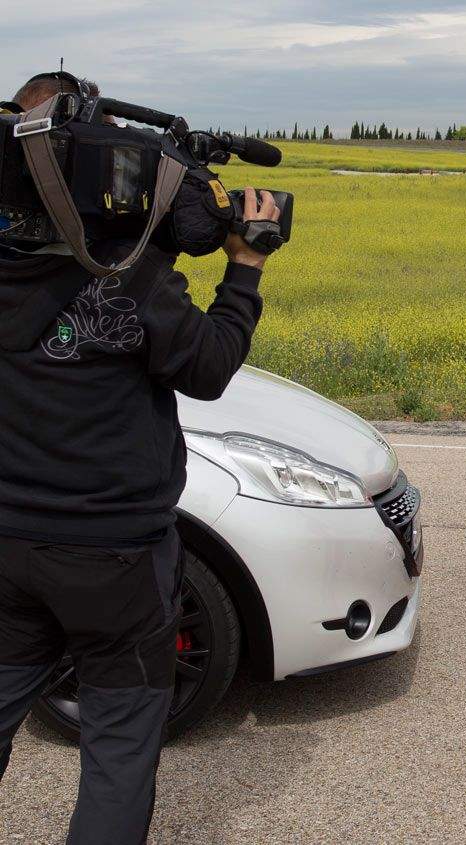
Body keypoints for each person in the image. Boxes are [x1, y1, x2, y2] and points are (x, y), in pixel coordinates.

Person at [0, 72, 282, 843]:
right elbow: (211, 368)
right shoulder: (130, 279)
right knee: (120, 747)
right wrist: (246, 268)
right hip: (116, 558)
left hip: (7, 545)